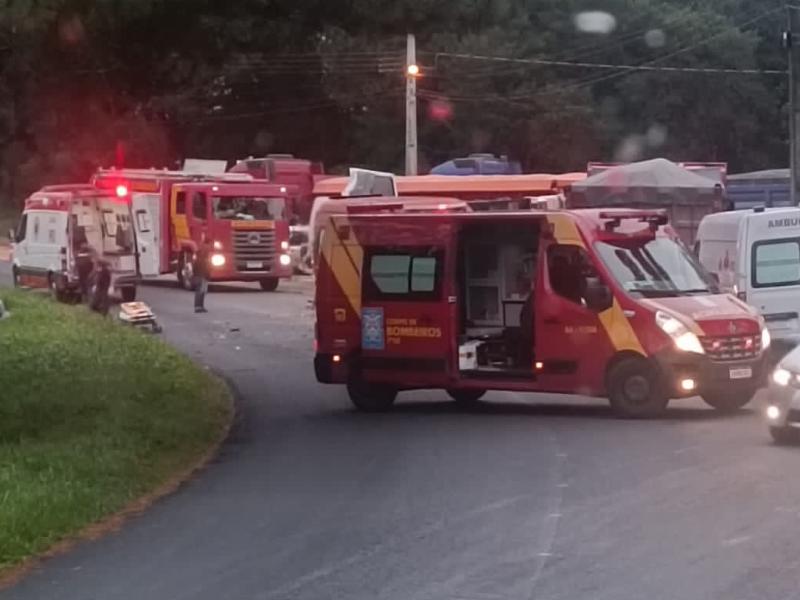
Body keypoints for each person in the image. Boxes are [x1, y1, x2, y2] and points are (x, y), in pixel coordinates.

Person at [193, 236, 212, 313]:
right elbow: (206, 265)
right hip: (203, 274)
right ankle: (199, 307)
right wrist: (208, 274)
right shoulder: (206, 250)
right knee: (202, 290)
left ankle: (198, 306)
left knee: (199, 290)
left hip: (198, 273)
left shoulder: (199, 251)